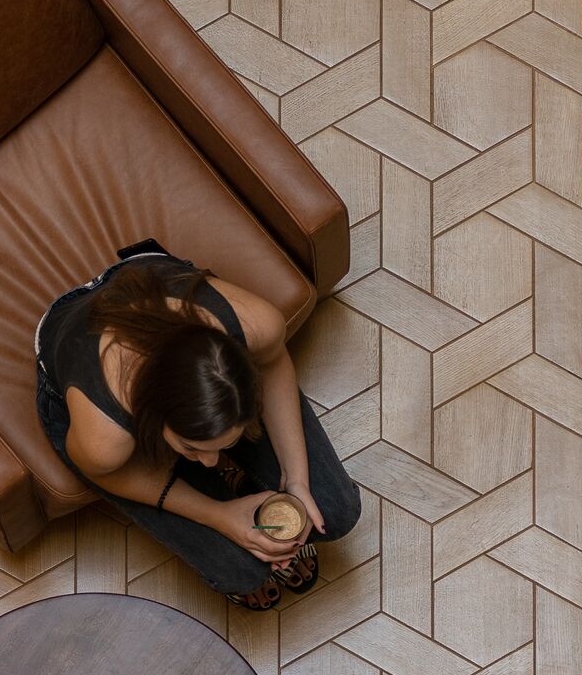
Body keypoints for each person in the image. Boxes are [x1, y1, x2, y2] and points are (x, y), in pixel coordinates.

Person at [37, 240, 363, 610]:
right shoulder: (106, 437)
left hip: (152, 284)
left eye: (223, 446)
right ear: (154, 420)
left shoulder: (257, 325)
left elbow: (272, 364)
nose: (210, 462)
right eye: (192, 448)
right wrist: (221, 517)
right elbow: (104, 473)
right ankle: (227, 485)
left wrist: (298, 482)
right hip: (72, 335)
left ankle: (229, 469)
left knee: (336, 512)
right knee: (243, 571)